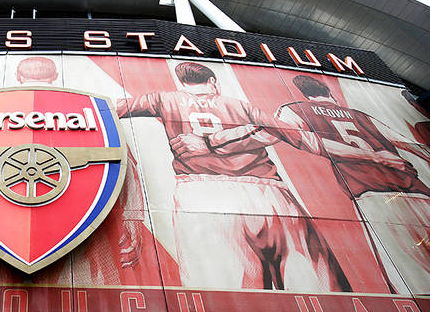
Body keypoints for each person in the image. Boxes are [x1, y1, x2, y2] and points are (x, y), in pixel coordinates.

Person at [116, 62, 348, 291]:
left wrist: (207, 143)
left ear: (182, 83)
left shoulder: (164, 99)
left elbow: (113, 108)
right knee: (317, 284)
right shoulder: (239, 105)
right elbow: (283, 131)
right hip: (267, 192)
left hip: (200, 195)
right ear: (213, 82)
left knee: (226, 295)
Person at [193, 74, 430, 293]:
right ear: (330, 92)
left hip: (373, 196)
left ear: (304, 93)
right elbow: (413, 145)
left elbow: (269, 134)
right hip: (419, 191)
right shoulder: (363, 115)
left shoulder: (296, 110)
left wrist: (212, 142)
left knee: (413, 278)